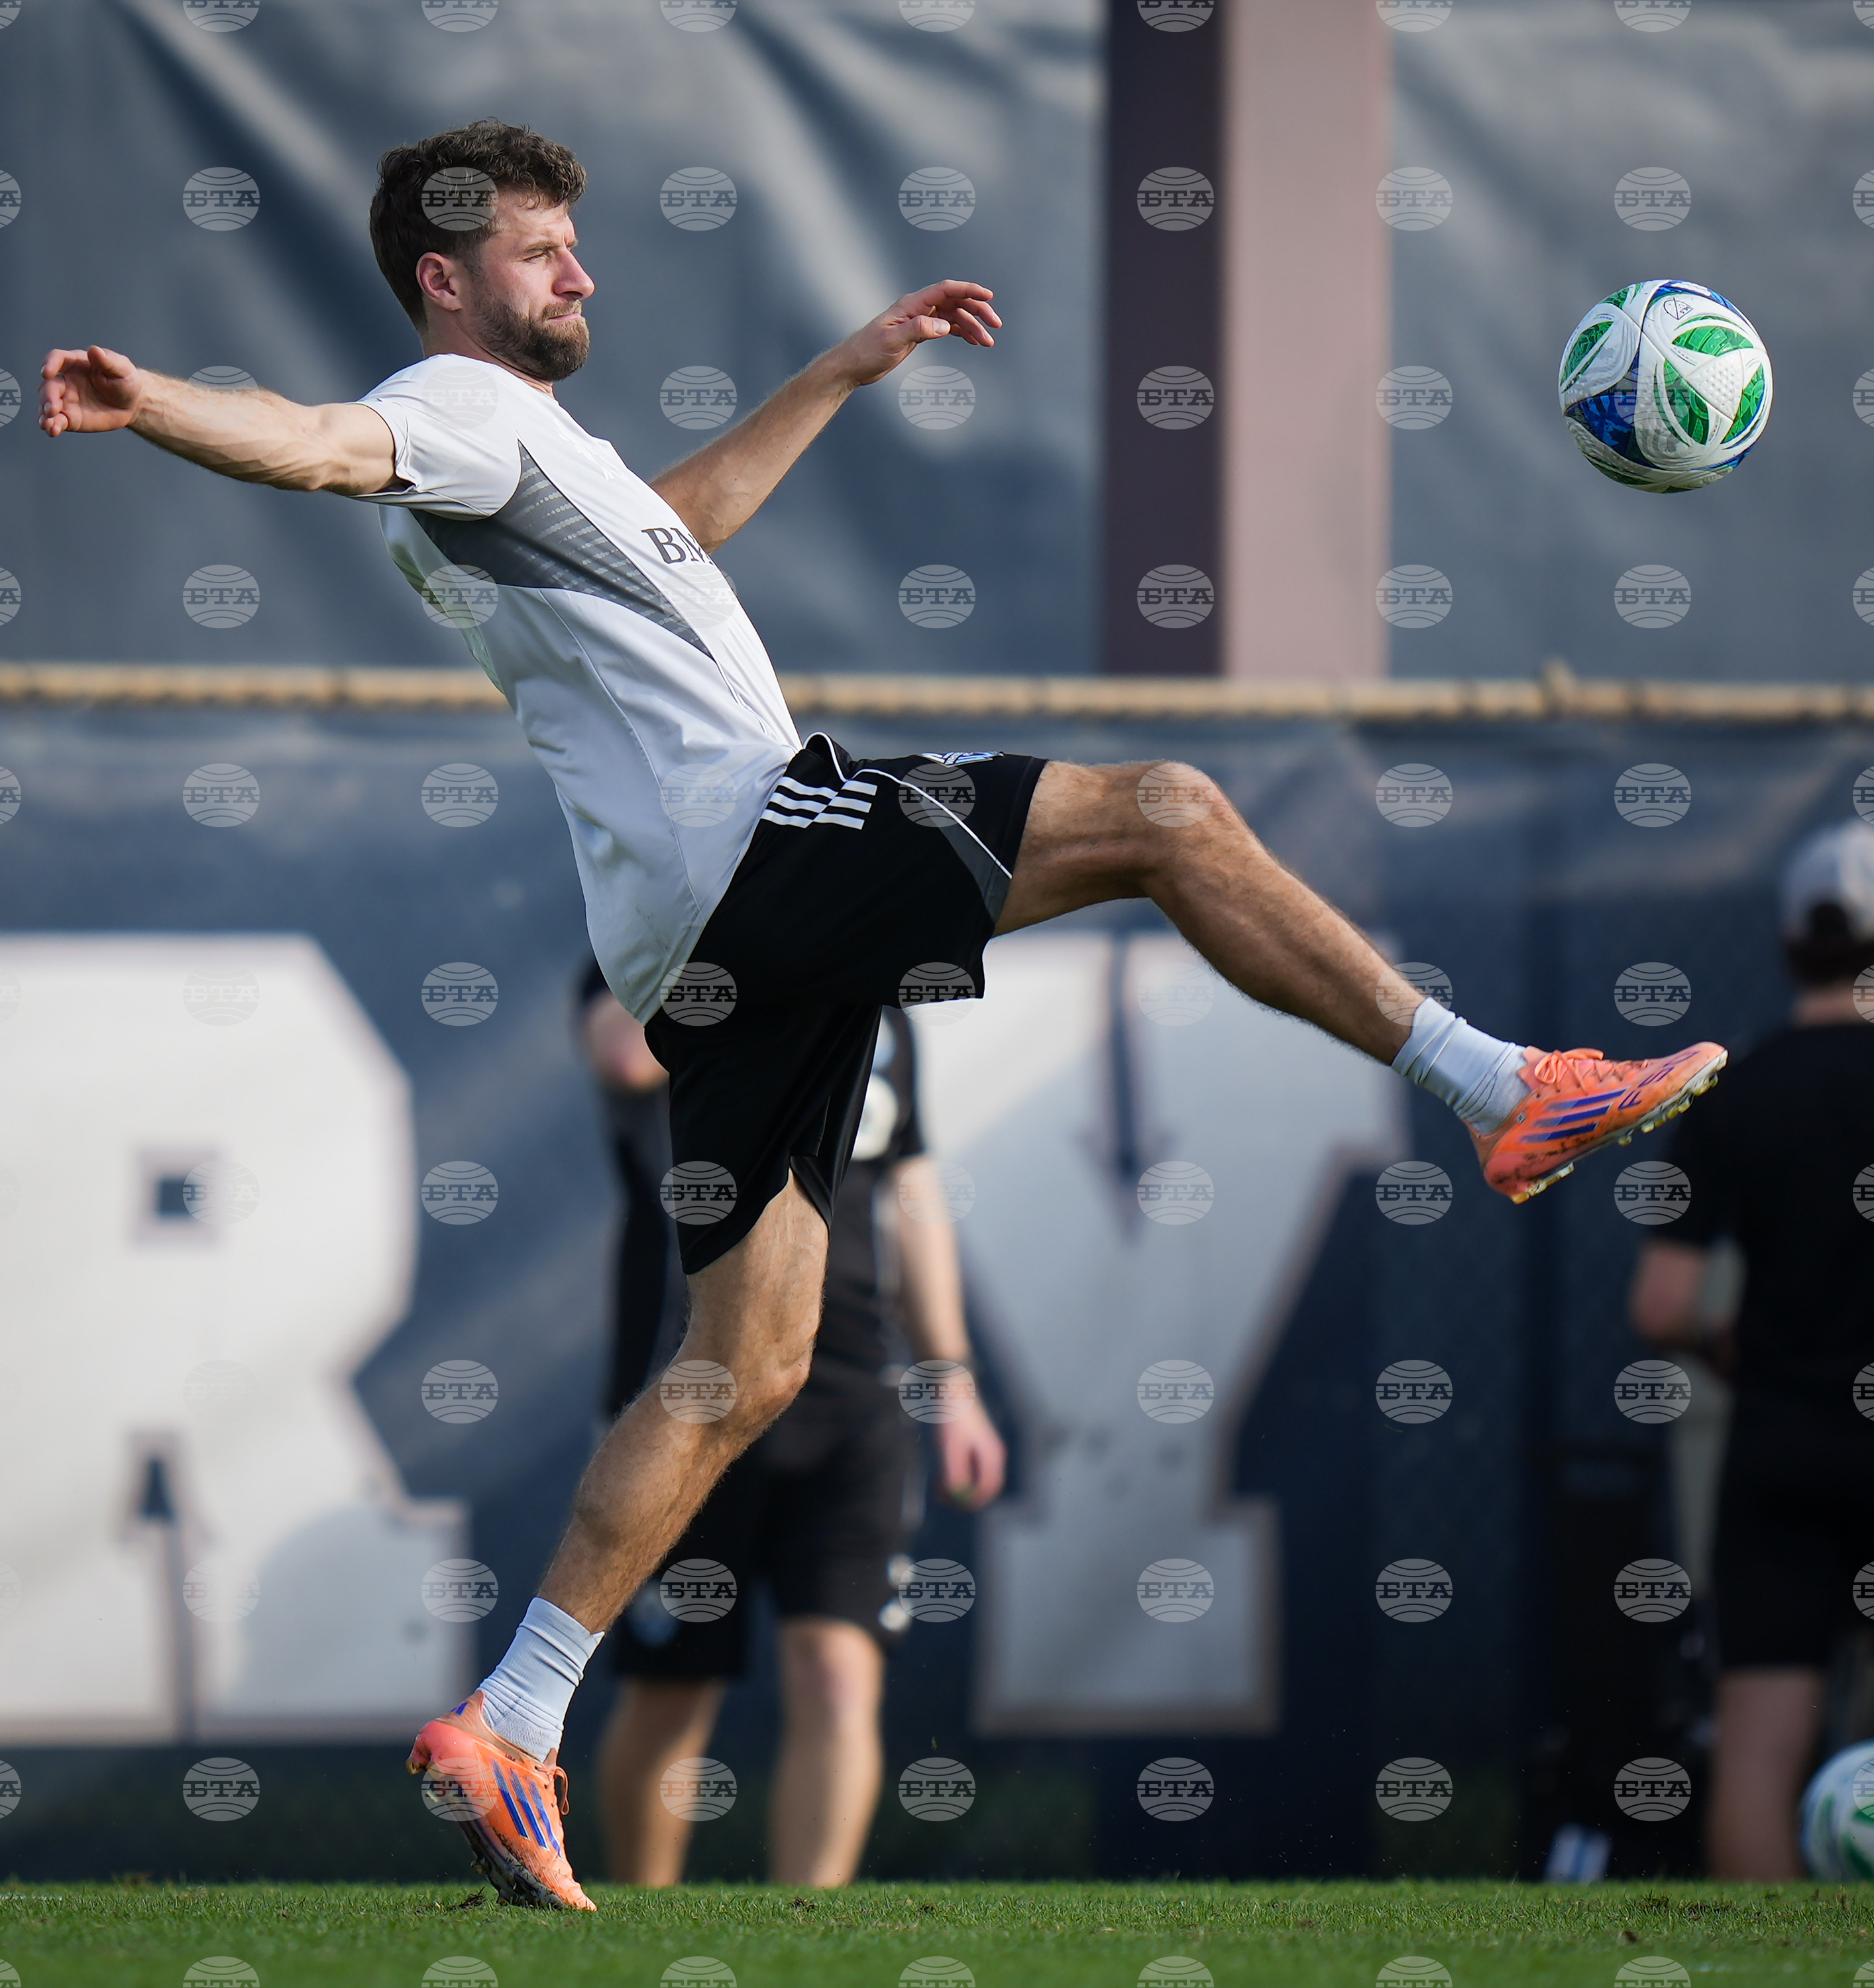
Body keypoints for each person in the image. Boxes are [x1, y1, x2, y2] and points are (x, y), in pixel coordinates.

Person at [40, 118, 1728, 1909]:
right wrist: (162, 401)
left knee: (746, 1362)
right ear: (446, 281)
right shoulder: (446, 411)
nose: (580, 272)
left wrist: (840, 369)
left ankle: (512, 1716)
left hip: (686, 941)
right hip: (753, 845)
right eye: (543, 251)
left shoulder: (523, 451)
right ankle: (1492, 1089)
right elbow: (319, 447)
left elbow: (674, 527)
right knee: (1165, 814)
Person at [581, 966, 1001, 1886]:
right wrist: (750, 930)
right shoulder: (656, 938)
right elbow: (622, 1052)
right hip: (690, 1397)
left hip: (850, 1391)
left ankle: (811, 1943)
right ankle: (634, 1936)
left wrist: (953, 1379)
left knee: (841, 1677)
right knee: (671, 1692)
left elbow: (913, 1191)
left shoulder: (879, 1000)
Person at [1629, 820, 1874, 1881]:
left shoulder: (1739, 1090)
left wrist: (1736, 1345)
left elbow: (1662, 1304)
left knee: (1757, 1755)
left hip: (1779, 1442)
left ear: (1789, 943)